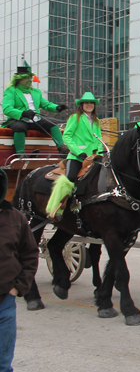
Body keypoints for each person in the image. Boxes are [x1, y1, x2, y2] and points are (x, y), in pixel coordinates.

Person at [0, 168, 39, 371]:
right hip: (75, 155)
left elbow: (30, 255)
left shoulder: (16, 218)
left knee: (3, 363)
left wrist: (17, 288)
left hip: (4, 301)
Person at [46, 92, 103, 219]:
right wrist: (78, 151)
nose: (89, 105)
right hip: (77, 157)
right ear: (81, 105)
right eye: (86, 103)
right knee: (70, 179)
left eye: (91, 103)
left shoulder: (97, 121)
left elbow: (99, 138)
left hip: (93, 157)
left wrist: (100, 152)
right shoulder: (75, 118)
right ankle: (56, 210)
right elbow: (66, 135)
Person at [1, 65, 68, 155]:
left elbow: (46, 105)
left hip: (35, 120)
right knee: (19, 127)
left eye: (30, 77)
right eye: (26, 78)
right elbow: (7, 109)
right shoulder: (11, 91)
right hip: (18, 120)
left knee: (52, 125)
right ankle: (20, 154)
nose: (29, 80)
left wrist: (57, 108)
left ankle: (62, 148)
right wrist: (23, 113)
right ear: (19, 79)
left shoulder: (36, 92)